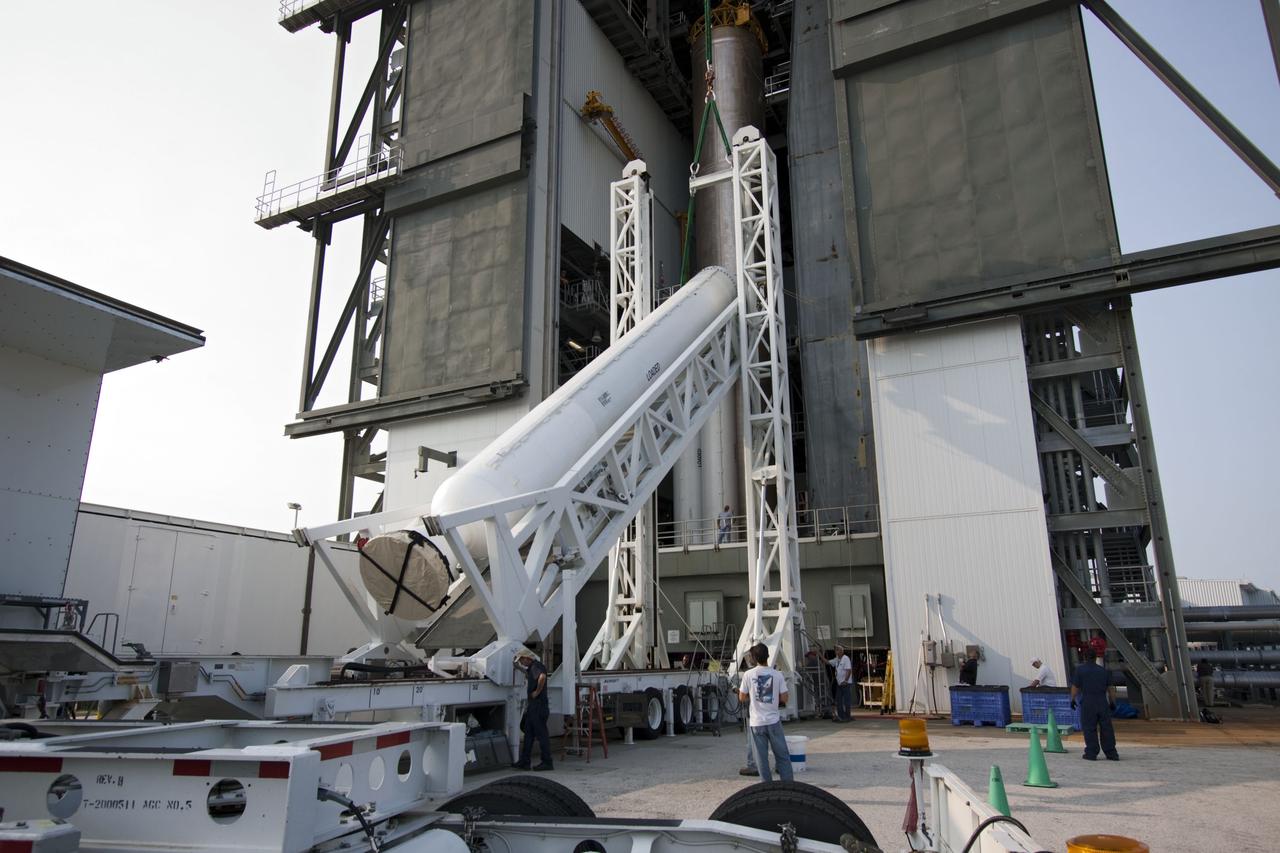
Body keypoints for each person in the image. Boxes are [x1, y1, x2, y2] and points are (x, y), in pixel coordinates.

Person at [737, 643, 793, 782]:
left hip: (756, 723)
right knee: (782, 757)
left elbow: (742, 697)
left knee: (761, 759)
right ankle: (788, 787)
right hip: (773, 721)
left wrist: (753, 695)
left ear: (754, 658)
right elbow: (785, 698)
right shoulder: (777, 674)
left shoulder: (748, 675)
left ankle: (767, 788)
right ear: (768, 656)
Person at [1070, 637, 1118, 761]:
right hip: (1102, 701)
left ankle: (1091, 753)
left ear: (1085, 657)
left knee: (1089, 727)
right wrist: (1112, 702)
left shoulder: (1080, 670)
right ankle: (1111, 753)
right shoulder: (1103, 671)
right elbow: (1111, 689)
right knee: (1106, 728)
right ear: (1095, 657)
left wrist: (1072, 699)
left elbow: (1075, 687)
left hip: (1088, 701)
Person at [512, 650, 553, 771]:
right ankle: (525, 761)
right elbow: (529, 674)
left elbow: (542, 677)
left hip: (538, 706)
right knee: (528, 734)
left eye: (521, 660)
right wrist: (518, 667)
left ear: (527, 658)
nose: (521, 662)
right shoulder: (532, 667)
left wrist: (536, 692)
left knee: (542, 735)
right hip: (534, 706)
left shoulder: (535, 666)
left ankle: (547, 762)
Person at [826, 644, 854, 722]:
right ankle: (841, 716)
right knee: (839, 700)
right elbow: (827, 662)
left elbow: (849, 670)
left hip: (845, 683)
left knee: (846, 701)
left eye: (837, 650)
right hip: (839, 683)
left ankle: (847, 716)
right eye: (835, 650)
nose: (836, 651)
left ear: (842, 651)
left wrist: (845, 680)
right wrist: (820, 654)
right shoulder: (837, 659)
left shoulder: (845, 659)